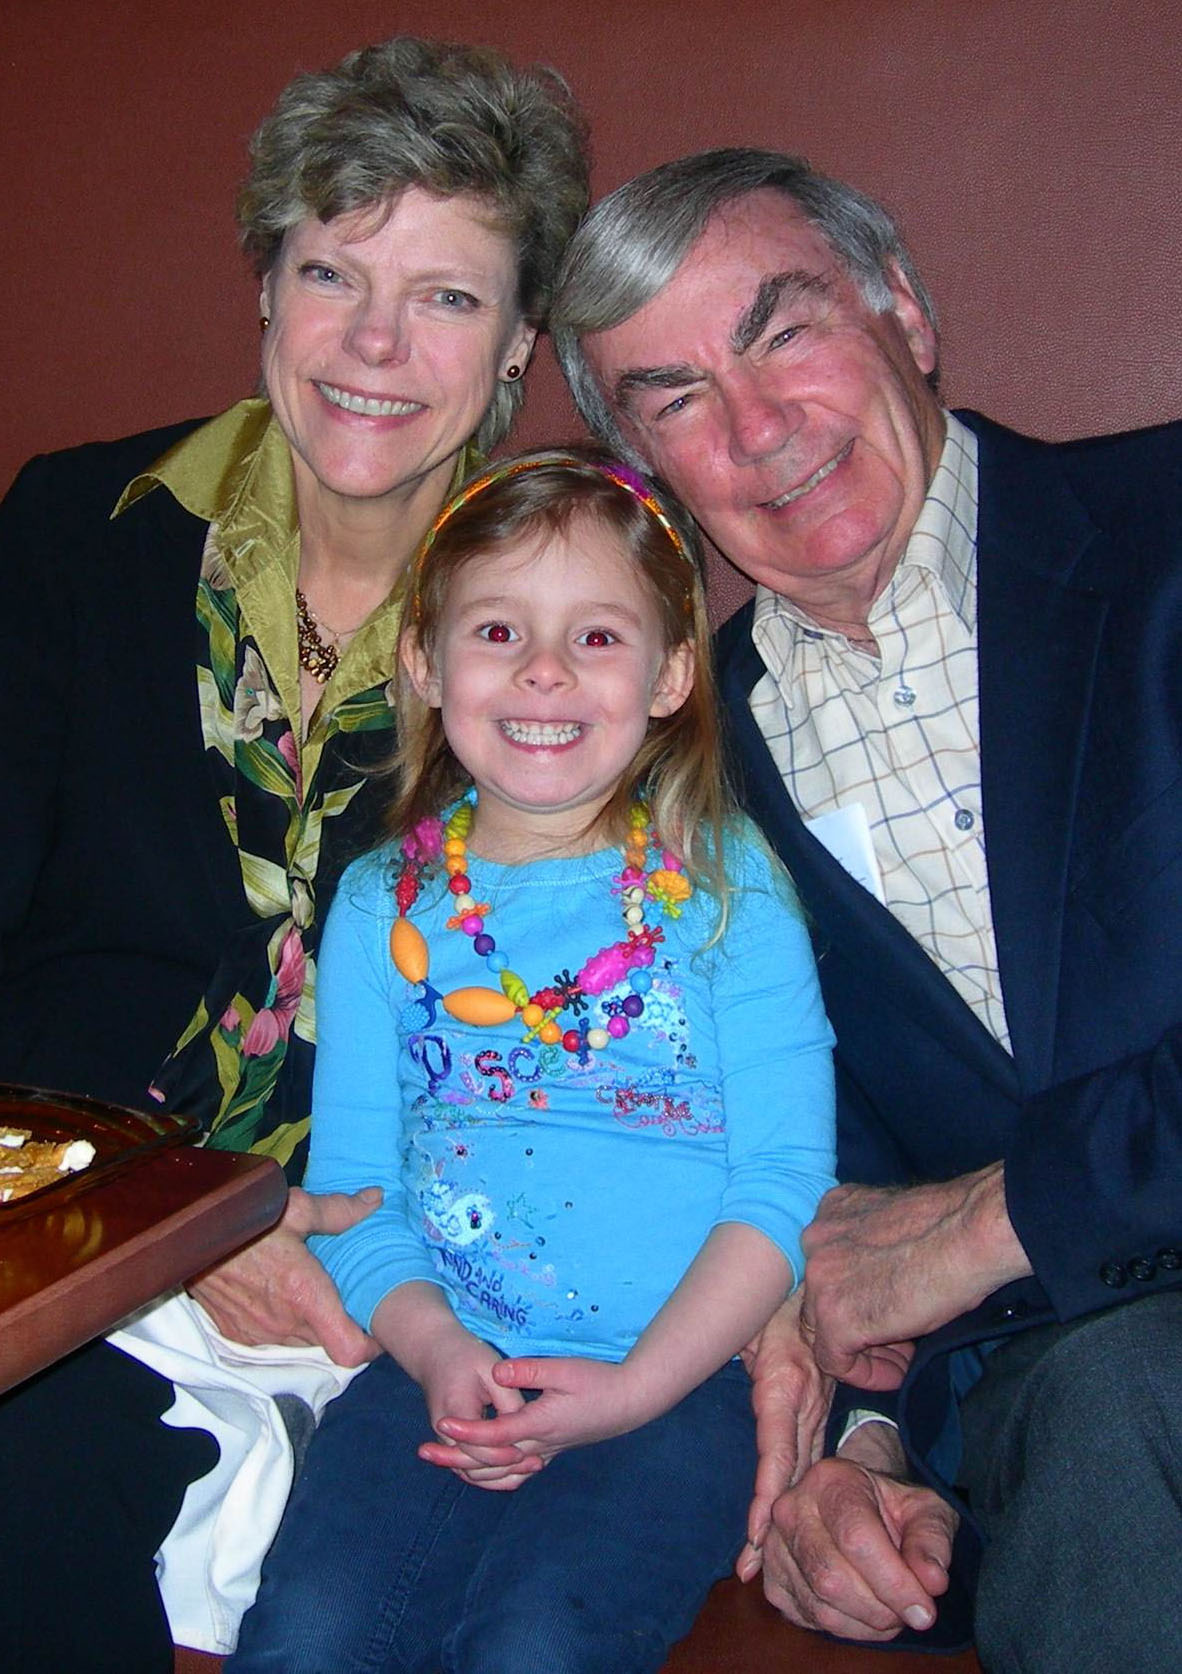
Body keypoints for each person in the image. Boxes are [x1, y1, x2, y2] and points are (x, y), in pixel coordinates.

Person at [551, 147, 1182, 1672]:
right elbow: (840, 1196)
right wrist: (872, 1443)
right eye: (674, 395)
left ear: (901, 306)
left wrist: (1004, 1212)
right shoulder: (682, 806)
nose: (759, 429)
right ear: (644, 464)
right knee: (1106, 1401)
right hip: (1086, 1418)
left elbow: (947, 1224)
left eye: (782, 329)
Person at [0, 36, 588, 1672]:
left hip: (398, 1289)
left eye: (449, 297)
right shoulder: (73, 530)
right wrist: (189, 1212)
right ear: (264, 288)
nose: (375, 343)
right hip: (87, 1236)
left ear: (523, 342)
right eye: (331, 270)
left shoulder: (586, 616)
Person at [226, 448, 836, 1673]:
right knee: (308, 1638)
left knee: (532, 1646)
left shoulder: (730, 893)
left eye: (598, 638)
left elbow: (780, 1189)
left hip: (674, 1389)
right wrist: (438, 1351)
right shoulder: (378, 906)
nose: (545, 671)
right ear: (424, 660)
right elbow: (355, 1199)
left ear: (671, 674)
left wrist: (631, 1393)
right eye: (499, 628)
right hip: (434, 1368)